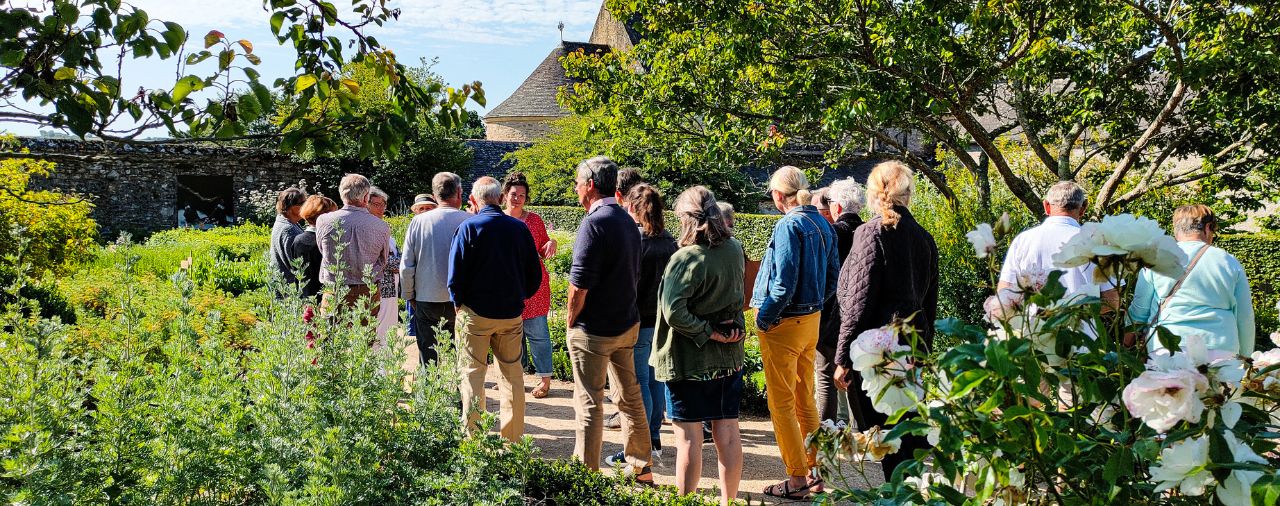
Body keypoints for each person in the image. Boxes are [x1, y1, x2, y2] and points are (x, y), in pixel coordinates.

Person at [834, 161, 938, 481]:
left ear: (874, 194)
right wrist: (924, 355)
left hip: (877, 350)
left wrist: (841, 358)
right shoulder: (924, 238)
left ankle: (900, 497)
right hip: (911, 349)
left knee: (888, 441)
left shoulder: (871, 232)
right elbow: (929, 306)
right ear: (908, 195)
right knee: (907, 438)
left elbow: (858, 301)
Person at [653, 186, 746, 505]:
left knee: (689, 439)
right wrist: (725, 333)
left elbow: (673, 311)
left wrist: (709, 332)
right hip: (728, 357)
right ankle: (728, 502)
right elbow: (738, 297)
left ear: (686, 218)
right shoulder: (734, 247)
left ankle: (686, 502)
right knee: (728, 431)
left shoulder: (686, 257)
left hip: (687, 359)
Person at [750, 166, 839, 499]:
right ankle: (815, 471)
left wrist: (764, 319)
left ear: (776, 196)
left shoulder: (789, 225)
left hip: (783, 323)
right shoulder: (821, 221)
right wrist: (813, 304)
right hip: (810, 321)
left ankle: (797, 478)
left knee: (782, 403)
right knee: (805, 398)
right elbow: (833, 279)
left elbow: (783, 284)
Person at [566, 156, 652, 483]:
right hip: (626, 324)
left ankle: (585, 476)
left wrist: (570, 321)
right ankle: (641, 466)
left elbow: (578, 286)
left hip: (595, 330)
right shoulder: (628, 221)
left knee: (590, 402)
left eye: (577, 182)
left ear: (589, 185)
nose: (575, 188)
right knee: (629, 397)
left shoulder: (594, 223)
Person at [449, 176, 543, 442]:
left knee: (472, 375)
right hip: (510, 314)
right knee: (512, 375)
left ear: (474, 200)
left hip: (475, 314)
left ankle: (473, 440)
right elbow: (534, 274)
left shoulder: (469, 228)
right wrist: (520, 297)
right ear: (501, 198)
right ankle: (511, 440)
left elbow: (455, 275)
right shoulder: (519, 228)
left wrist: (459, 304)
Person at [604, 183, 677, 466]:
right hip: (662, 320)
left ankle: (642, 443)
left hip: (637, 320)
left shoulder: (635, 240)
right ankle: (655, 438)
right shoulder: (669, 240)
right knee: (656, 380)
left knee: (639, 385)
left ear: (632, 207)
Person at [1130, 205, 1256, 355]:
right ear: (1208, 227)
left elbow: (1139, 310)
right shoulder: (1228, 261)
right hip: (1220, 346)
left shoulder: (1156, 258)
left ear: (1176, 229)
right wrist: (1246, 356)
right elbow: (1245, 316)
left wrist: (1126, 344)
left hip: (1167, 345)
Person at [998, 181, 1118, 304]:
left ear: (1046, 206)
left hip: (1033, 321)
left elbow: (1004, 292)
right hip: (1081, 321)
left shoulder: (1023, 240)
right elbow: (1113, 301)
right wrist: (1075, 311)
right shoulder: (1097, 242)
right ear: (1083, 209)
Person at [401, 172, 471, 364]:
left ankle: (429, 393)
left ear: (435, 195)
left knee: (428, 358)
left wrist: (409, 295)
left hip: (426, 297)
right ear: (458, 192)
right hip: (464, 301)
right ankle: (458, 394)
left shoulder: (419, 222)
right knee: (460, 357)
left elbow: (407, 265)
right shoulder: (470, 221)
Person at [500, 172, 559, 399]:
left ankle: (545, 380)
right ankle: (514, 376)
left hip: (534, 286)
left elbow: (544, 245)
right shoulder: (499, 219)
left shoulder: (534, 220)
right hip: (506, 286)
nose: (517, 198)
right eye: (514, 194)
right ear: (505, 195)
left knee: (538, 334)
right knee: (510, 335)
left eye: (522, 195)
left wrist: (551, 242)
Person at [816, 178, 866, 424]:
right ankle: (866, 430)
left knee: (826, 374)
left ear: (836, 206)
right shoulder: (870, 232)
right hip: (863, 313)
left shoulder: (832, 233)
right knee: (860, 375)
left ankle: (827, 429)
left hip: (831, 313)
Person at [316, 174, 391, 319]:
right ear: (366, 197)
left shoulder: (323, 221)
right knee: (363, 339)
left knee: (332, 337)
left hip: (334, 288)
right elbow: (383, 260)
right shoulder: (381, 226)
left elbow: (322, 251)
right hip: (367, 290)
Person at [367, 186, 401, 345]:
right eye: (376, 204)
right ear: (366, 204)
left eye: (383, 204)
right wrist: (406, 262)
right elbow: (382, 259)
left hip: (391, 287)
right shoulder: (369, 228)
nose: (381, 208)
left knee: (390, 329)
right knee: (380, 330)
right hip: (381, 287)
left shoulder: (383, 226)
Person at [291, 195, 339, 301]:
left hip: (304, 297)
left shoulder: (298, 240)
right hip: (326, 299)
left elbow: (296, 272)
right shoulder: (328, 240)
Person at [405, 193, 437, 340]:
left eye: (428, 208)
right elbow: (407, 263)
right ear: (416, 211)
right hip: (418, 285)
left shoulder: (439, 226)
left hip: (437, 286)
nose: (425, 211)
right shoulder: (413, 227)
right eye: (421, 208)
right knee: (422, 334)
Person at [269, 187, 307, 293]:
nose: (306, 206)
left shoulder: (287, 222)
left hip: (282, 285)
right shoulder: (288, 229)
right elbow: (296, 263)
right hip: (287, 290)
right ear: (291, 207)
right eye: (302, 203)